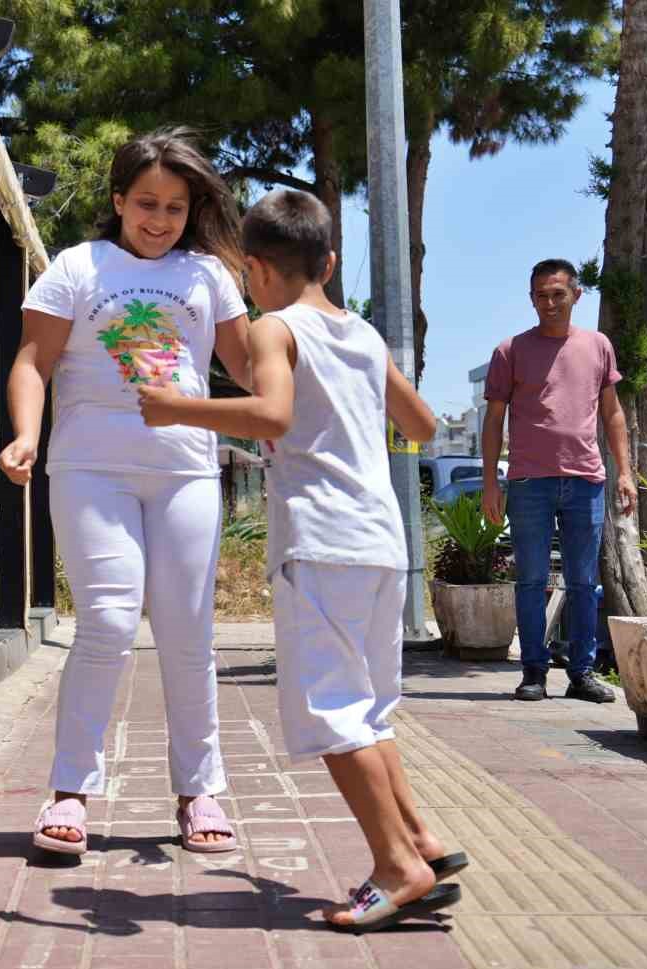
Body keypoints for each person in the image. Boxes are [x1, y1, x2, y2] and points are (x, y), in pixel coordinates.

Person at [136, 189, 466, 931]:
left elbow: (273, 415)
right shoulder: (363, 334)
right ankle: (422, 841)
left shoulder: (271, 330)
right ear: (331, 260)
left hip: (322, 539)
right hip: (382, 541)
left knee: (329, 711)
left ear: (254, 270)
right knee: (368, 710)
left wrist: (175, 407)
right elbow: (419, 422)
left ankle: (397, 867)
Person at [0, 129, 253, 857]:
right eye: (146, 203)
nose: (160, 219)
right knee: (108, 622)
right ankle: (70, 791)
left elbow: (246, 363)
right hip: (90, 468)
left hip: (187, 470)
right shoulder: (78, 267)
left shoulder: (207, 275)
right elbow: (32, 361)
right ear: (118, 200)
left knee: (186, 631)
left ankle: (199, 789)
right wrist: (25, 434)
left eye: (176, 206)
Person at [480, 260, 636, 703]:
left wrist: (624, 472)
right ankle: (533, 671)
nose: (549, 303)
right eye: (540, 296)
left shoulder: (598, 346)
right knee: (530, 580)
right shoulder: (510, 351)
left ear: (576, 295)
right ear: (531, 299)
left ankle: (582, 673)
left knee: (584, 582)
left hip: (586, 480)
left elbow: (613, 412)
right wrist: (491, 482)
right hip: (529, 483)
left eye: (557, 294)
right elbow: (494, 420)